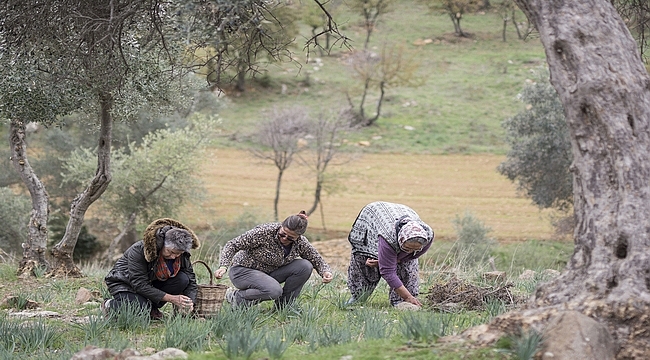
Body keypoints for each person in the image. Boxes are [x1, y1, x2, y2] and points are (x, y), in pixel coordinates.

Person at [214, 211, 333, 309]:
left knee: (305, 266)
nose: (284, 238)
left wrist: (325, 272)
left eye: (290, 238)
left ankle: (283, 308)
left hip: (268, 274)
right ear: (281, 226)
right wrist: (223, 266)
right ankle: (236, 297)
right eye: (282, 234)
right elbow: (232, 245)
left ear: (298, 237)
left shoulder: (301, 243)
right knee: (274, 291)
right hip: (243, 271)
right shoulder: (264, 232)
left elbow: (316, 258)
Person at [102, 218, 199, 320]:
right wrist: (172, 299)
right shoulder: (139, 250)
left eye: (178, 254)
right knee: (141, 309)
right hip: (125, 283)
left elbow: (191, 279)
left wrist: (190, 303)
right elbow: (139, 284)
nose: (173, 257)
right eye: (170, 252)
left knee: (182, 279)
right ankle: (109, 305)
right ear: (163, 244)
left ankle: (151, 307)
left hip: (150, 283)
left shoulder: (180, 253)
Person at [346, 201, 434, 310]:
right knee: (366, 263)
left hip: (401, 212)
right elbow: (387, 272)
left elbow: (412, 256)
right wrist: (408, 296)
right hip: (373, 217)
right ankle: (358, 297)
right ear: (400, 241)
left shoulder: (427, 235)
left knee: (408, 266)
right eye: (407, 248)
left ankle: (400, 302)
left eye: (415, 249)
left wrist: (396, 260)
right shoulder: (388, 238)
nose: (410, 251)